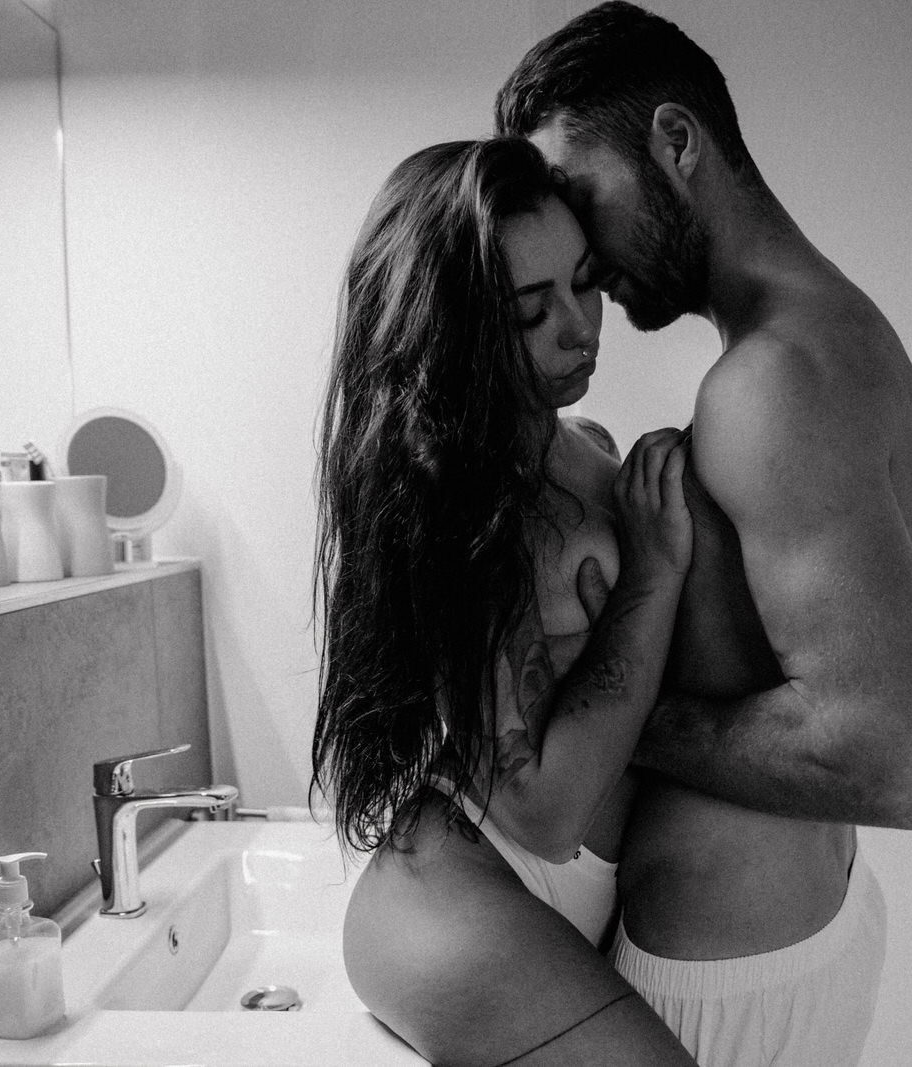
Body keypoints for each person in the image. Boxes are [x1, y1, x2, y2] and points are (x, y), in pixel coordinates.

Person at [496, 4, 912, 1064]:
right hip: (787, 932)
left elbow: (895, 761)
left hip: (726, 968)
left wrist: (608, 718)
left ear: (674, 140)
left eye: (579, 194)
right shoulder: (840, 338)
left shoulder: (772, 382)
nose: (579, 248)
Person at [311, 137, 700, 1066]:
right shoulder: (466, 510)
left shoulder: (587, 443)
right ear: (456, 334)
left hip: (552, 884)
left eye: (585, 282)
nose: (581, 327)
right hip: (457, 895)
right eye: (532, 310)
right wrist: (653, 575)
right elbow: (543, 811)